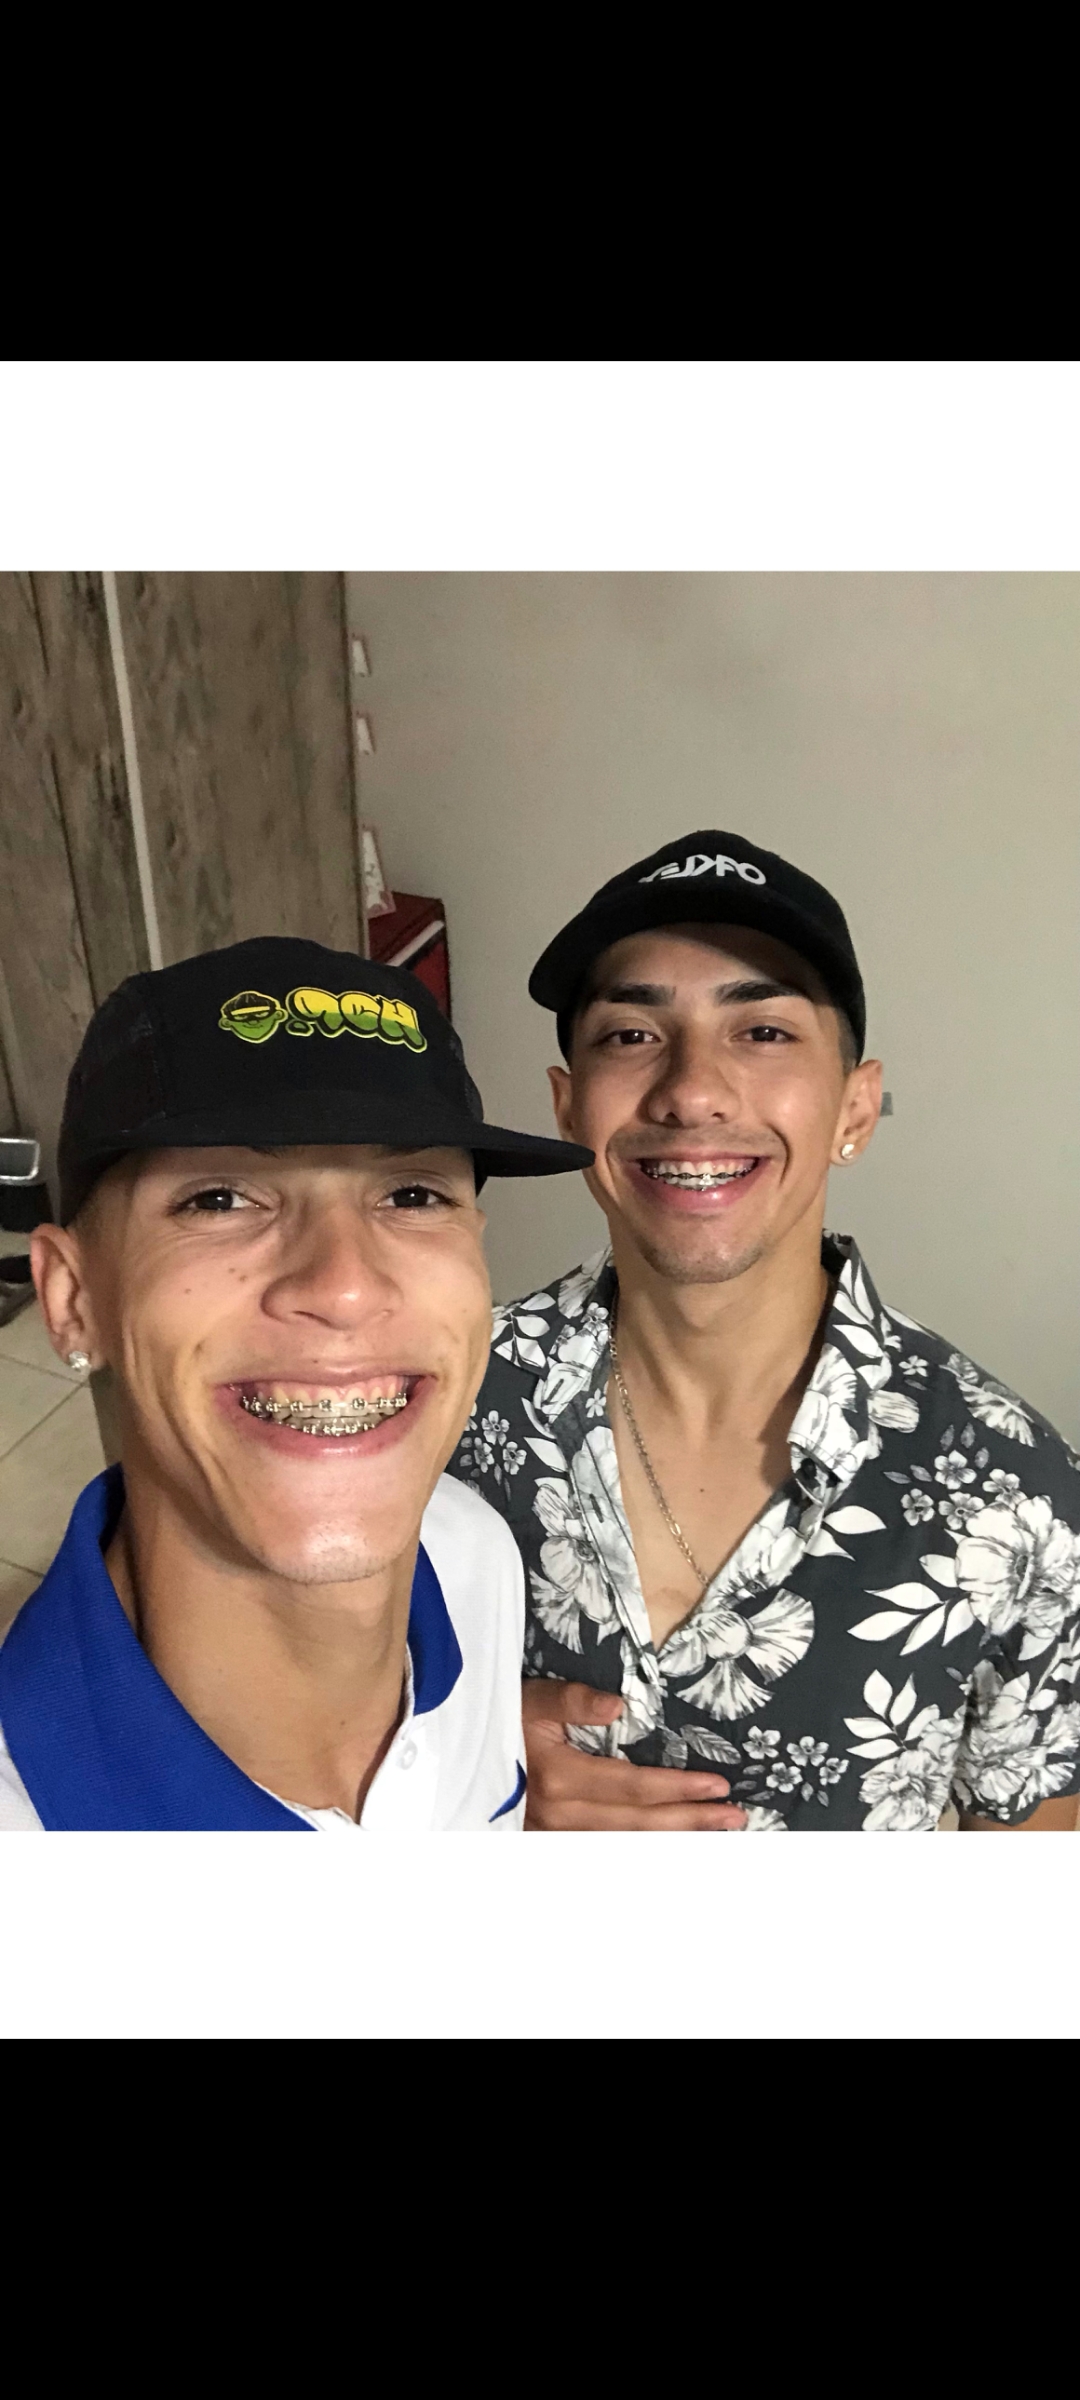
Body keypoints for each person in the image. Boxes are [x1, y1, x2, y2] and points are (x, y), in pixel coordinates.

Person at [450, 832, 1080, 1831]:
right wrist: (460, 1762)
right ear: (568, 1107)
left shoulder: (1018, 1493)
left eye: (764, 1032)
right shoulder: (436, 1397)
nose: (692, 1090)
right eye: (631, 1034)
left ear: (855, 1110)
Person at [0, 936, 590, 1831]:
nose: (345, 1287)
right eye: (220, 1198)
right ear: (73, 1298)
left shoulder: (470, 1555)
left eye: (412, 1195)